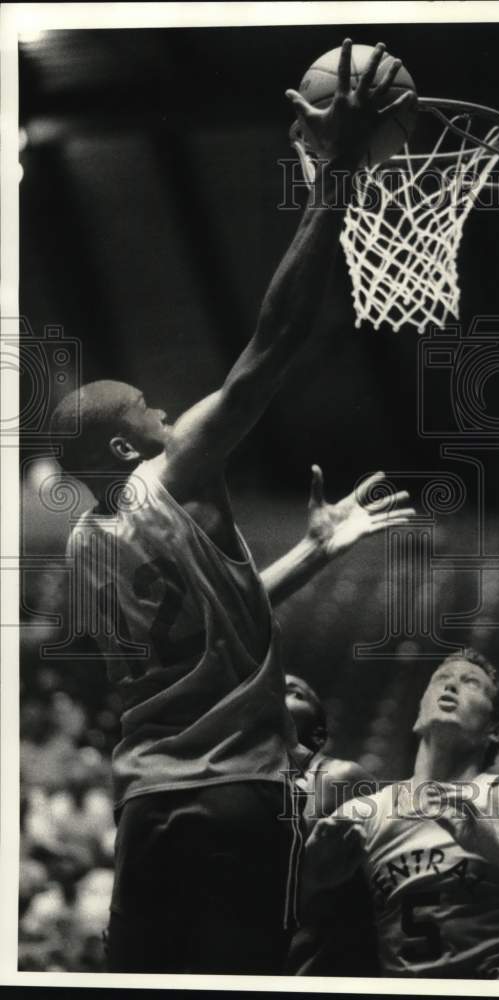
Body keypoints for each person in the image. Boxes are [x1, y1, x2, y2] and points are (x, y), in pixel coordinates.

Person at [47, 40, 417, 974]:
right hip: (239, 793)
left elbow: (207, 640)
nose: (172, 411)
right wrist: (332, 181)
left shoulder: (87, 550)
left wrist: (314, 553)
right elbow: (274, 343)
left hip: (145, 803)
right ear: (129, 447)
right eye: (151, 410)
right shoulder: (171, 474)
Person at [303, 648, 499, 979]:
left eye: (470, 683)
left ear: (495, 730)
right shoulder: (362, 813)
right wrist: (313, 879)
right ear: (418, 715)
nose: (451, 686)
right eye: (441, 680)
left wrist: (497, 850)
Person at [284, 674, 380, 975]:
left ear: (319, 730)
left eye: (298, 693)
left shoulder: (339, 777)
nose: (281, 691)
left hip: (325, 960)